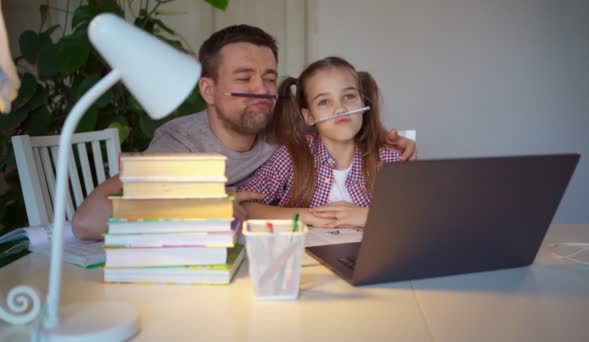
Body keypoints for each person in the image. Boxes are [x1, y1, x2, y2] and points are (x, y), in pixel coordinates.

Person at [72, 25, 417, 240]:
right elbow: (88, 222)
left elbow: (341, 119)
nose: (262, 90)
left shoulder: (286, 123)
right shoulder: (179, 144)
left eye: (269, 78)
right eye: (243, 78)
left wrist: (391, 140)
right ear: (208, 91)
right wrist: (209, 207)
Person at [238, 57, 402, 228]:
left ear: (362, 102)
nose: (340, 109)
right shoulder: (292, 156)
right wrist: (306, 216)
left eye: (349, 96)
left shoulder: (389, 160)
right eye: (324, 102)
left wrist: (368, 216)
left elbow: (416, 217)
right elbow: (244, 205)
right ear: (309, 116)